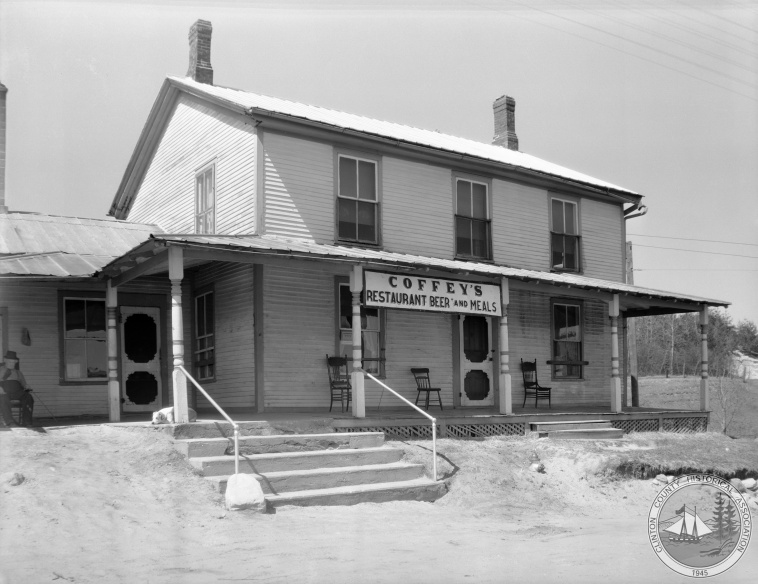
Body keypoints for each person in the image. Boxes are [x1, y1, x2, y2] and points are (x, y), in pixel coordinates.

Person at [0, 350, 34, 427]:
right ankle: (10, 422)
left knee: (28, 397)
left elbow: (24, 384)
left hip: (17, 392)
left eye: (13, 362)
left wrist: (27, 386)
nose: (12, 364)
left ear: (16, 362)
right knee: (2, 398)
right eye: (10, 362)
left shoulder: (18, 372)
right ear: (5, 361)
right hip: (4, 392)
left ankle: (27, 422)